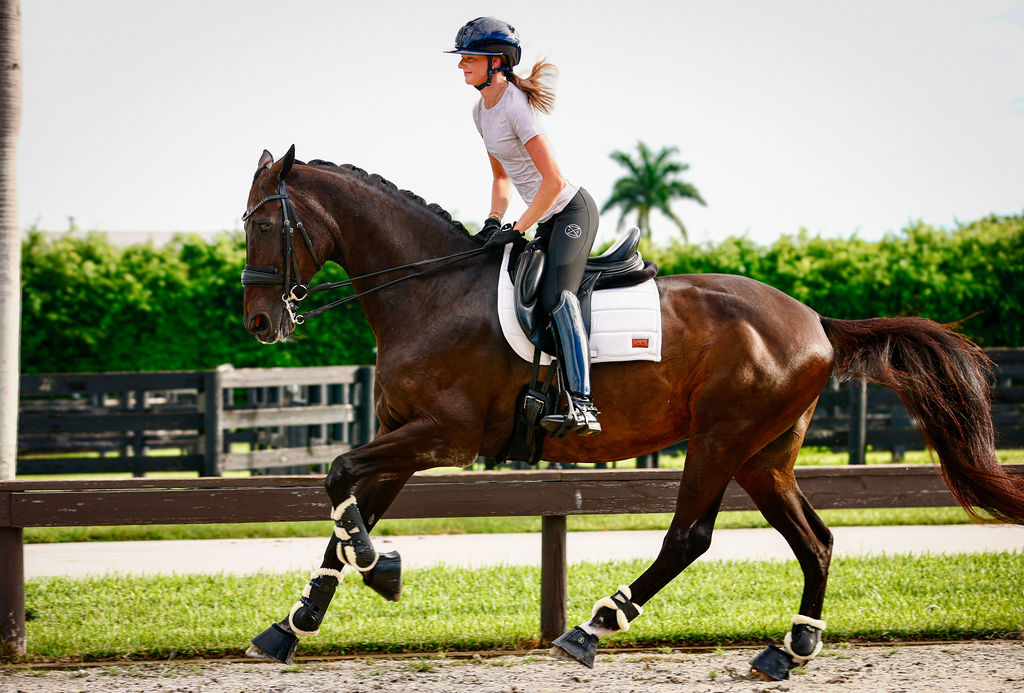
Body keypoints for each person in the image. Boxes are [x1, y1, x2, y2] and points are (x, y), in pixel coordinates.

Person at [446, 16, 602, 437]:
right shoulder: (480, 112)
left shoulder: (516, 106)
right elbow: (502, 177)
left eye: (468, 58)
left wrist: (518, 227)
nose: (460, 65)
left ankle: (583, 404)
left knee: (556, 296)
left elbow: (553, 181)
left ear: (496, 62)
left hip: (571, 213)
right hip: (544, 217)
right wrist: (493, 221)